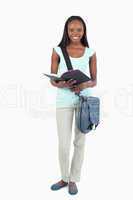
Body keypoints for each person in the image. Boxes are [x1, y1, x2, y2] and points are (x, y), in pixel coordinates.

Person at [50, 16, 97, 195]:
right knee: (63, 144)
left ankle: (74, 180)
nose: (75, 33)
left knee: (79, 142)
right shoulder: (57, 50)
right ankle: (64, 177)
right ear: (66, 31)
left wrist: (84, 85)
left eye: (79, 30)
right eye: (71, 30)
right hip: (63, 101)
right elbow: (53, 78)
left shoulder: (90, 52)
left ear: (84, 31)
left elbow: (94, 81)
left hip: (83, 101)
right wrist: (60, 83)